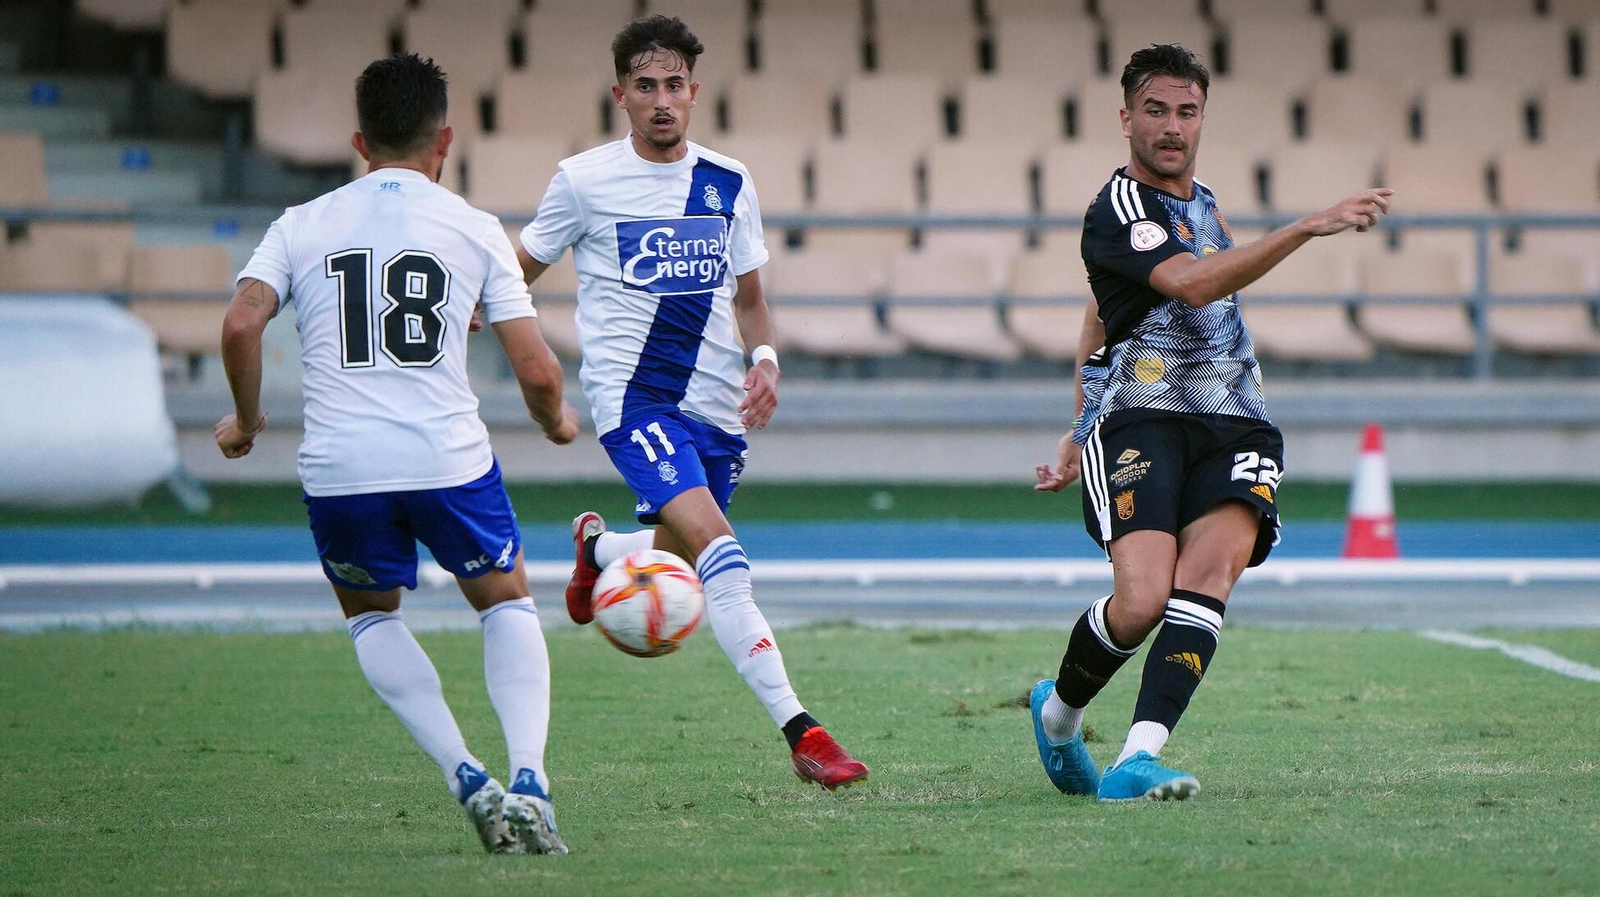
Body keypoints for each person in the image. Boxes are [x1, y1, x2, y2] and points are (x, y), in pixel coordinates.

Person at [215, 53, 580, 853]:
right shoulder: (474, 227)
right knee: (507, 600)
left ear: (358, 140)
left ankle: (464, 773)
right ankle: (529, 779)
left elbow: (242, 324)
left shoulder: (302, 222)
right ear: (444, 138)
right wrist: (554, 422)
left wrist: (246, 421)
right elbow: (537, 366)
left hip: (342, 466)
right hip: (447, 459)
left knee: (373, 617)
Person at [514, 15, 869, 790]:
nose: (663, 100)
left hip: (715, 409)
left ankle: (599, 552)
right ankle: (803, 732)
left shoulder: (728, 181)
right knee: (723, 558)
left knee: (677, 559)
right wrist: (488, 323)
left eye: (675, 85)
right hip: (633, 402)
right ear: (621, 96)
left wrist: (767, 358)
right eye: (647, 86)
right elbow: (517, 275)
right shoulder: (583, 180)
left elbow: (750, 299)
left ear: (694, 93)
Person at [1030, 44, 1392, 801]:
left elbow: (1110, 305)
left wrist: (1074, 419)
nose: (1171, 127)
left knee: (1209, 576)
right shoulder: (1117, 208)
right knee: (1140, 604)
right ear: (1125, 118)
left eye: (1186, 111)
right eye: (1155, 111)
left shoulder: (1206, 204)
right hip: (1142, 421)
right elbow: (1190, 287)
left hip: (1236, 423)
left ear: (1202, 118)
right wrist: (1306, 227)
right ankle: (1060, 716)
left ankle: (1136, 757)